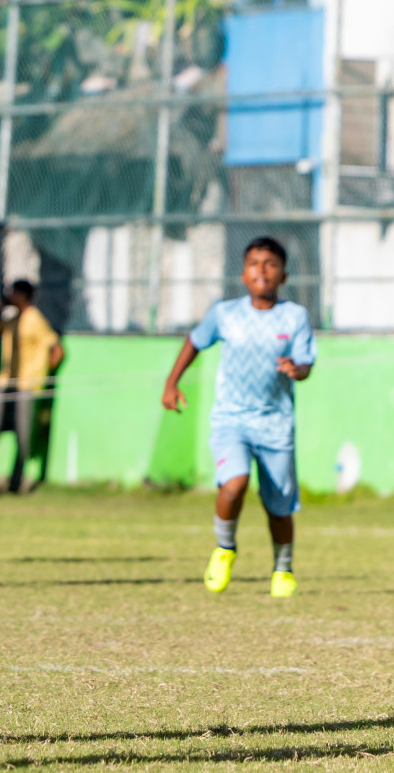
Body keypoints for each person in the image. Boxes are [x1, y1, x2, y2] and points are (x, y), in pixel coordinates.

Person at [162, 236, 315, 600]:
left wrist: (297, 368)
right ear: (243, 274)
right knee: (234, 483)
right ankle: (225, 547)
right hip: (231, 420)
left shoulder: (294, 316)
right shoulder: (225, 313)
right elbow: (195, 342)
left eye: (270, 264)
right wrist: (172, 382)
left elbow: (307, 363)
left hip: (276, 423)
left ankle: (283, 568)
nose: (261, 270)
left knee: (278, 506)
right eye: (253, 263)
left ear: (284, 275)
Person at [0, 280, 63, 495]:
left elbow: (56, 349)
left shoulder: (34, 318)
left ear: (25, 295)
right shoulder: (11, 319)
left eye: (16, 292)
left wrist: (42, 375)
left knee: (24, 437)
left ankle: (17, 481)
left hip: (28, 386)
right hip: (6, 382)